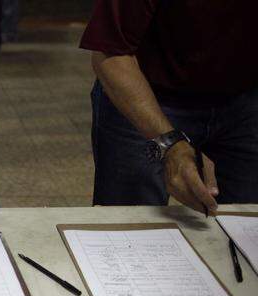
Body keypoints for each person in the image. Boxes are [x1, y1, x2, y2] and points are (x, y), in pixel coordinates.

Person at [80, 0, 258, 214]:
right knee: (132, 222)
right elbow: (111, 55)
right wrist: (170, 144)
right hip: (146, 90)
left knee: (245, 223)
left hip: (243, 96)